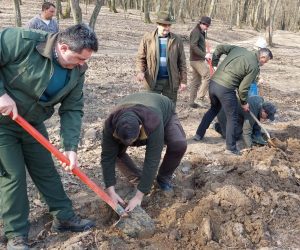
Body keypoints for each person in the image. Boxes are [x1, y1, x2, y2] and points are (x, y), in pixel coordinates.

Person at [0, 23, 98, 250]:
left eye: (86, 60)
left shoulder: (78, 71)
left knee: (46, 170)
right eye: (79, 59)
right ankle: (16, 234)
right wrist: (1, 94)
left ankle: (64, 217)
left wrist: (70, 147)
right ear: (63, 47)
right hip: (3, 123)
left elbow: (72, 108)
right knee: (13, 176)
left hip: (32, 123)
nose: (83, 65)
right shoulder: (23, 41)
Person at [101, 92, 187, 212]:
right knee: (115, 152)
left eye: (132, 142)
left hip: (163, 110)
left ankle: (163, 178)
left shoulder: (153, 121)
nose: (130, 146)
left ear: (140, 127)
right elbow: (107, 157)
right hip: (132, 105)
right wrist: (110, 190)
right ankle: (138, 179)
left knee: (178, 144)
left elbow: (152, 159)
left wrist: (138, 197)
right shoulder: (109, 125)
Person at [193, 45, 273, 155]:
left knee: (213, 109)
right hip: (226, 89)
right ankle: (230, 148)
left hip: (213, 84)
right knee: (232, 117)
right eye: (265, 62)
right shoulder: (254, 66)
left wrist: (215, 64)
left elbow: (219, 48)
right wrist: (244, 102)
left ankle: (198, 134)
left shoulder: (239, 49)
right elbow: (243, 88)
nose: (264, 64)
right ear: (262, 57)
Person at [136, 12, 187, 104]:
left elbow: (182, 62)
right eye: (164, 25)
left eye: (169, 25)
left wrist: (183, 80)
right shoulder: (148, 38)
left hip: (170, 82)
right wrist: (140, 71)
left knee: (170, 109)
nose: (167, 28)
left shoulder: (177, 40)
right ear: (158, 25)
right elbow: (141, 58)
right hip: (152, 81)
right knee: (151, 109)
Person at [189, 16, 212, 108]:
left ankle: (192, 102)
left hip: (198, 59)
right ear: (201, 23)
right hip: (196, 60)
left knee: (196, 81)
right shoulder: (196, 32)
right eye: (205, 25)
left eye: (208, 26)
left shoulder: (201, 32)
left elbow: (199, 46)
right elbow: (193, 46)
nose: (207, 27)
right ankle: (200, 98)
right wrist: (204, 55)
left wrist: (205, 55)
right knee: (208, 75)